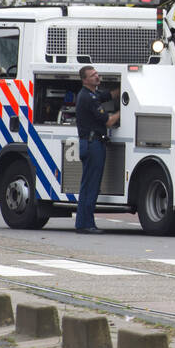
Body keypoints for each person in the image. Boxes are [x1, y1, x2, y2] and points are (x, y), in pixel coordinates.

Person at [74, 65, 120, 234]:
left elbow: (107, 95)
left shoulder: (90, 94)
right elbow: (107, 121)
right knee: (91, 185)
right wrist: (122, 112)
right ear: (85, 80)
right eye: (93, 75)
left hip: (90, 143)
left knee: (87, 184)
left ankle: (82, 223)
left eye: (97, 74)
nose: (97, 77)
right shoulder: (88, 98)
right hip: (93, 145)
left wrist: (122, 90)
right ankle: (87, 224)